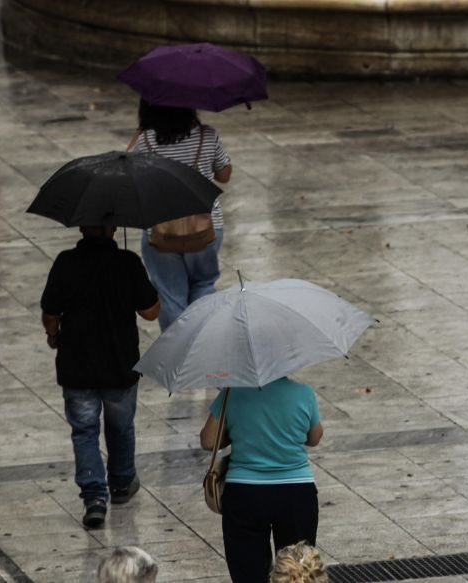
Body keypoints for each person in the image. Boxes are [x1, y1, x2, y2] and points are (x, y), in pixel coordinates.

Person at [40, 225, 160, 528]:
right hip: (119, 364)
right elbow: (151, 312)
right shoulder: (127, 262)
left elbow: (50, 311)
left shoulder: (66, 262)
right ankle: (120, 483)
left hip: (77, 364)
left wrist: (53, 335)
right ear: (113, 227)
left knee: (84, 431)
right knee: (121, 427)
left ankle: (94, 496)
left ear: (81, 227)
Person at [200, 377, 324, 583]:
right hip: (296, 494)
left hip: (245, 495)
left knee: (248, 573)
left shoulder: (232, 393)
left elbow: (208, 440)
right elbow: (315, 437)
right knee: (297, 573)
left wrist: (235, 432)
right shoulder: (304, 393)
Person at [130, 98, 232, 330]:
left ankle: (178, 357)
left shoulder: (146, 141)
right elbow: (224, 175)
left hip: (160, 229)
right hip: (206, 227)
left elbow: (132, 179)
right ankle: (202, 347)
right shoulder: (207, 136)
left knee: (169, 295)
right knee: (204, 285)